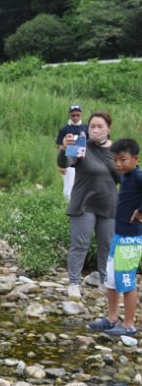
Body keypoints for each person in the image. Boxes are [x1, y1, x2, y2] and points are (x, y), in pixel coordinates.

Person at [59, 110, 118, 300]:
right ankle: (74, 284)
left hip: (108, 205)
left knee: (107, 245)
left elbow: (128, 176)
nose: (95, 130)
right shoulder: (81, 145)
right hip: (84, 203)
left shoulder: (117, 150)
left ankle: (105, 282)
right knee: (80, 244)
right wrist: (63, 149)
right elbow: (66, 162)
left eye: (100, 126)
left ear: (109, 128)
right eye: (92, 126)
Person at [86, 138, 142, 336]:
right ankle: (112, 319)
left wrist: (140, 211)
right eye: (115, 160)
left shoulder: (138, 176)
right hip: (119, 236)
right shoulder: (125, 176)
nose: (118, 164)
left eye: (123, 160)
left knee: (126, 281)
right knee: (110, 279)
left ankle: (128, 324)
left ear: (135, 159)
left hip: (131, 239)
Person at [57, 105, 87, 201]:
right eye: (73, 115)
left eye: (78, 115)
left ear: (81, 114)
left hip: (83, 161)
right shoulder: (64, 129)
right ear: (69, 115)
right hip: (69, 161)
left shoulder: (86, 128)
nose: (75, 117)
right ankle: (67, 205)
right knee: (69, 185)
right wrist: (61, 165)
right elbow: (60, 146)